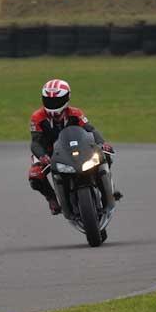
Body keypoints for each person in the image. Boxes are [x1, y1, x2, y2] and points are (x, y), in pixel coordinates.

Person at [28, 79, 120, 215]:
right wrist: (42, 156)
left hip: (77, 148)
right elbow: (35, 142)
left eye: (56, 100)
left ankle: (108, 188)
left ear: (67, 98)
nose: (52, 104)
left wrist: (102, 143)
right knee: (35, 175)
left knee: (104, 154)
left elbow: (90, 129)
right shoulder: (37, 117)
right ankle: (52, 198)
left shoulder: (76, 113)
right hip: (49, 152)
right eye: (49, 100)